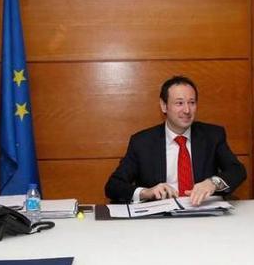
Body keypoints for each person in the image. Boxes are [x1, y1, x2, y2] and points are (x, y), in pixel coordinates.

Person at [105, 76, 246, 205]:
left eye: (192, 103)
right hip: (160, 220)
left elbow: (237, 170)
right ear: (164, 106)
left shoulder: (212, 136)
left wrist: (213, 183)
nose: (187, 110)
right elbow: (113, 186)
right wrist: (146, 192)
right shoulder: (142, 142)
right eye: (179, 103)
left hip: (203, 213)